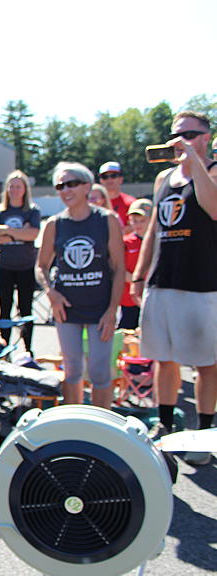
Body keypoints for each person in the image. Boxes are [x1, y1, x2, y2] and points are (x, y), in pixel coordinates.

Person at [132, 110, 216, 465]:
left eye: (190, 134)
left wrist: (195, 160)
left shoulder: (211, 170)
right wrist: (139, 274)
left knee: (206, 363)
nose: (181, 140)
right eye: (176, 135)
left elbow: (213, 208)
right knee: (163, 359)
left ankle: (205, 433)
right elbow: (153, 228)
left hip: (201, 282)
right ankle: (165, 426)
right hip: (163, 280)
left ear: (206, 137)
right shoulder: (164, 177)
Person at [36, 162, 124, 408]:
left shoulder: (106, 220)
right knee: (72, 371)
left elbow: (118, 268)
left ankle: (101, 427)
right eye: (60, 186)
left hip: (100, 308)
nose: (66, 190)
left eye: (72, 183)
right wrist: (50, 292)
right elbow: (41, 265)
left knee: (99, 373)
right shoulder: (55, 224)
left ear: (87, 186)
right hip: (67, 309)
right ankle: (74, 424)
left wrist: (111, 310)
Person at [0, 170, 41, 353]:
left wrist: (6, 231)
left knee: (26, 309)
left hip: (25, 265)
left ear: (25, 189)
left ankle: (28, 349)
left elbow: (33, 234)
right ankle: (4, 349)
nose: (14, 190)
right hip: (4, 266)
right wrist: (18, 234)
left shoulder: (32, 211)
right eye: (11, 186)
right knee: (5, 308)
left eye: (18, 186)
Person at [118, 199, 151, 330]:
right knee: (128, 332)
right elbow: (119, 269)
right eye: (134, 221)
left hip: (151, 295)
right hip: (130, 298)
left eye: (142, 221)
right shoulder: (126, 242)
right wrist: (137, 282)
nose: (138, 224)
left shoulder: (158, 241)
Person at [98, 161, 135, 228]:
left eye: (113, 176)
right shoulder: (95, 203)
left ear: (121, 179)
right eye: (105, 177)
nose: (109, 179)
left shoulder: (131, 203)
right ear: (101, 180)